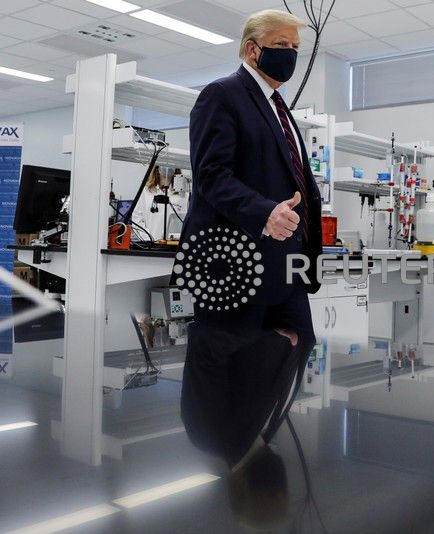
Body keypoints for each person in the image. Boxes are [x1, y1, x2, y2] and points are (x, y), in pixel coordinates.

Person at [177, 9, 323, 469]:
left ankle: (250, 446)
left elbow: (296, 181)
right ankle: (221, 456)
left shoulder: (280, 109)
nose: (291, 55)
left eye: (295, 48)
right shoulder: (222, 96)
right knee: (230, 358)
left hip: (285, 262)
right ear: (251, 49)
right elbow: (211, 176)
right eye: (281, 45)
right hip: (235, 262)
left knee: (298, 344)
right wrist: (264, 212)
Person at [130, 166, 189, 241]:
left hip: (174, 243)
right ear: (157, 167)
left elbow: (186, 220)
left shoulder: (183, 194)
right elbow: (137, 218)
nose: (167, 166)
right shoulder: (146, 191)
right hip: (151, 243)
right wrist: (147, 239)